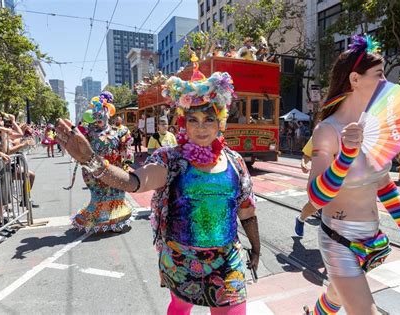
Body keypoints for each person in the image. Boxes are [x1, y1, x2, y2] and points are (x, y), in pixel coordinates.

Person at [56, 66, 260, 314]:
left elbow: (247, 211)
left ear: (220, 122)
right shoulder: (171, 159)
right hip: (181, 260)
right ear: (184, 123)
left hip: (227, 262)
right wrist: (93, 162)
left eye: (209, 119)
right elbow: (135, 181)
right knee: (179, 307)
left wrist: (256, 248)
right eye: (193, 120)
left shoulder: (236, 162)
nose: (202, 127)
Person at [303, 35, 400, 314]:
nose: (385, 83)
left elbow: (383, 183)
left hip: (371, 241)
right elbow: (316, 197)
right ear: (355, 79)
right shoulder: (328, 131)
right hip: (339, 240)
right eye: (379, 75)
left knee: (334, 297)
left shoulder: (375, 127)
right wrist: (345, 156)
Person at [70, 92, 134, 233]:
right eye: (95, 115)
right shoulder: (88, 132)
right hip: (95, 170)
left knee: (116, 195)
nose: (98, 118)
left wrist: (125, 153)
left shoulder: (119, 131)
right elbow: (80, 147)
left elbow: (126, 150)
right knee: (99, 196)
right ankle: (100, 221)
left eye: (101, 115)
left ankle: (115, 222)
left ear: (108, 114)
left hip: (115, 169)